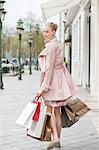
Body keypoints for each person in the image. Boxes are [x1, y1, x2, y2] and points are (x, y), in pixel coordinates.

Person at [37, 22, 77, 150]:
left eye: (47, 31)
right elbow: (62, 66)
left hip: (52, 84)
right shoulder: (59, 44)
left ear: (53, 32)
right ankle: (57, 139)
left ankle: (56, 138)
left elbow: (48, 69)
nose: (44, 34)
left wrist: (43, 88)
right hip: (60, 83)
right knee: (57, 112)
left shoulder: (50, 47)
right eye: (43, 31)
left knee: (51, 111)